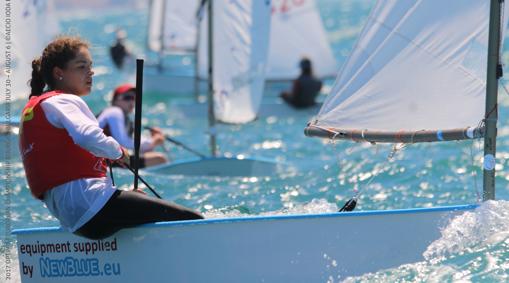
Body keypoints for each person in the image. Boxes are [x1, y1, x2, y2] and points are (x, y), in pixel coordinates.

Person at [20, 36, 203, 240]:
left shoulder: (38, 106)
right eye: (81, 66)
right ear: (58, 73)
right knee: (192, 218)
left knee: (143, 211)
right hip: (92, 205)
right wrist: (120, 152)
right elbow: (87, 136)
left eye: (90, 66)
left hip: (73, 216)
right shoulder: (63, 100)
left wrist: (127, 199)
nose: (91, 72)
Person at [97, 84, 167, 168]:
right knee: (160, 159)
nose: (131, 102)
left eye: (134, 98)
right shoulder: (115, 112)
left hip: (107, 159)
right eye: (127, 98)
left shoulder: (123, 117)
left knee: (149, 153)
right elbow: (123, 143)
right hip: (102, 161)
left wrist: (152, 140)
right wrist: (152, 142)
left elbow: (131, 141)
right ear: (115, 101)